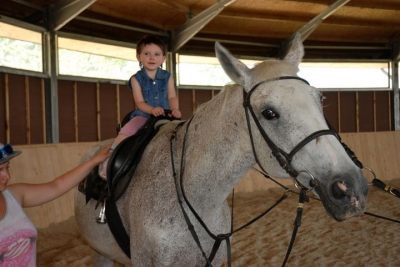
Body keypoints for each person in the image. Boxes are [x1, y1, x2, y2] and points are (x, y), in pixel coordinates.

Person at [0, 142, 111, 266]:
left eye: (7, 168)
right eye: (0, 170)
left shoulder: (14, 195)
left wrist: (94, 161)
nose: (7, 176)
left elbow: (56, 186)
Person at [99, 34, 181, 179]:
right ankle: (108, 160)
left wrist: (175, 109)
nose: (151, 58)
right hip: (144, 115)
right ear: (139, 57)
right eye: (147, 54)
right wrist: (152, 110)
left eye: (156, 54)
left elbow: (172, 96)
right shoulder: (136, 79)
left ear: (163, 59)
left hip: (166, 115)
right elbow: (140, 102)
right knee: (126, 132)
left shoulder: (167, 77)